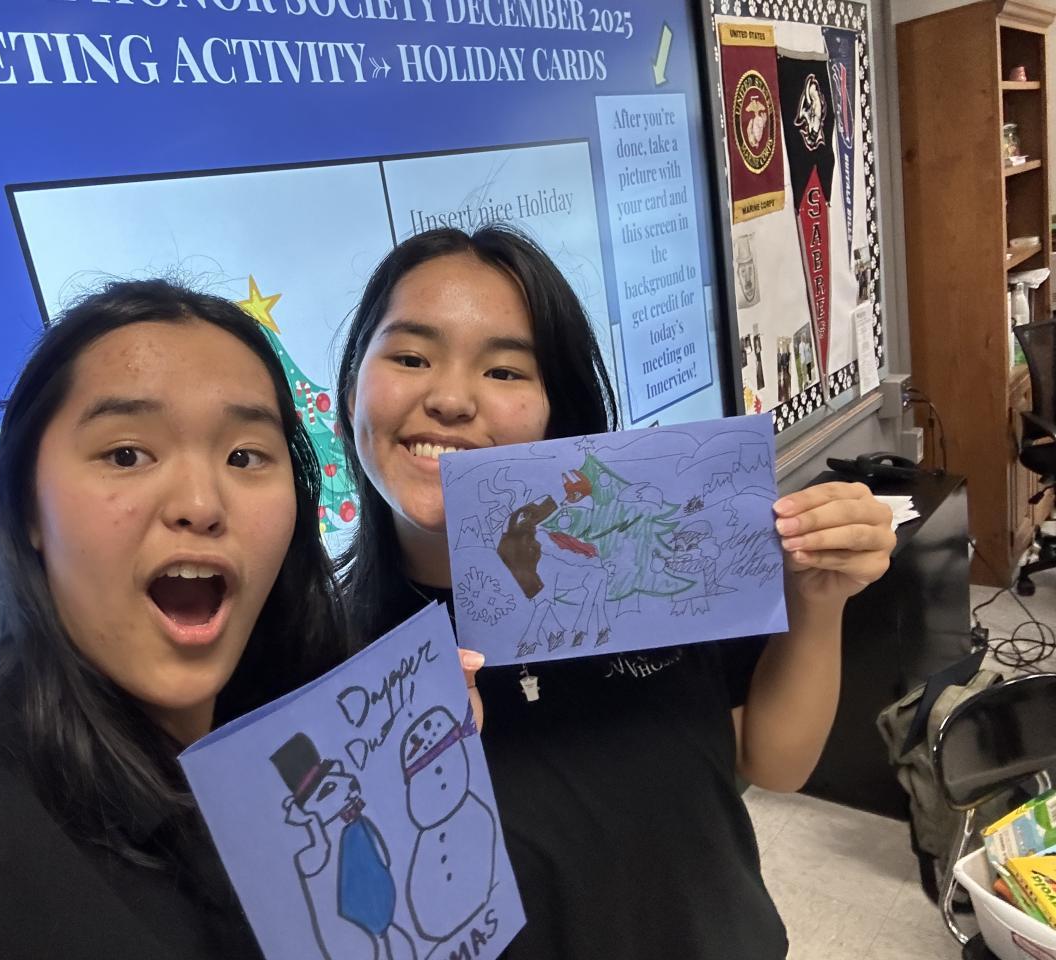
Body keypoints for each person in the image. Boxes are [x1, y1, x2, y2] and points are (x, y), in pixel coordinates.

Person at [334, 226, 896, 959]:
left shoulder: (648, 553)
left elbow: (771, 761)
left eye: (504, 370)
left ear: (555, 406)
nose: (449, 399)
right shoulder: (331, 658)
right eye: (411, 358)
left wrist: (818, 601)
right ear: (353, 387)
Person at [0, 279, 352, 960]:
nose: (201, 504)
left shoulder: (311, 735)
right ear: (29, 509)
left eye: (244, 456)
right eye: (126, 454)